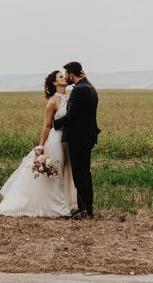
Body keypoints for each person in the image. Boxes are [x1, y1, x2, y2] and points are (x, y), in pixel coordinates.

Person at [0, 70, 76, 217]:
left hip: (66, 140)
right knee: (55, 171)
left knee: (64, 171)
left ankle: (62, 204)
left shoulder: (69, 97)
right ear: (55, 83)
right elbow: (47, 125)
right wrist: (41, 145)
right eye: (61, 76)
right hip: (55, 139)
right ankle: (58, 208)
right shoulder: (53, 101)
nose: (64, 77)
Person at [52, 61, 100, 220]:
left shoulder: (79, 90)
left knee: (80, 176)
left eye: (66, 74)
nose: (66, 77)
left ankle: (84, 211)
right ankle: (87, 210)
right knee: (85, 174)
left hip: (78, 138)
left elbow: (72, 116)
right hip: (88, 137)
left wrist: (56, 123)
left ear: (71, 74)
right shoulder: (90, 88)